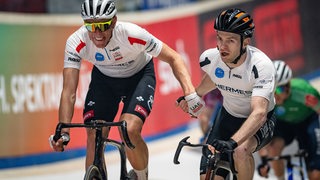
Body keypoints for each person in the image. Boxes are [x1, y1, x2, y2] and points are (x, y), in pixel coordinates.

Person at [48, 0, 203, 179]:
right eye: (90, 26)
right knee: (93, 132)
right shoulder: (76, 41)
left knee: (128, 129)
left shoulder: (131, 34)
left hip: (139, 76)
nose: (97, 33)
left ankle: (141, 175)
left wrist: (190, 94)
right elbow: (69, 91)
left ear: (113, 21)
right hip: (105, 81)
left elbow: (174, 58)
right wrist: (63, 131)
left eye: (103, 26)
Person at [177, 8, 277, 179]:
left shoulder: (261, 66)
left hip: (260, 121)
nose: (222, 46)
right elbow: (214, 77)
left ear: (245, 42)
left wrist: (232, 142)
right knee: (207, 176)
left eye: (230, 40)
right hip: (228, 116)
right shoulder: (211, 59)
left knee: (240, 151)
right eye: (219, 38)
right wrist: (194, 95)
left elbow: (259, 113)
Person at [257, 60, 320, 180]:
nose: (275, 95)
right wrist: (264, 160)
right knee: (273, 149)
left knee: (316, 174)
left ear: (289, 86)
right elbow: (261, 129)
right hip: (284, 124)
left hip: (308, 121)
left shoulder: (304, 91)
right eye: (272, 90)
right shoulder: (267, 98)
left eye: (279, 90)